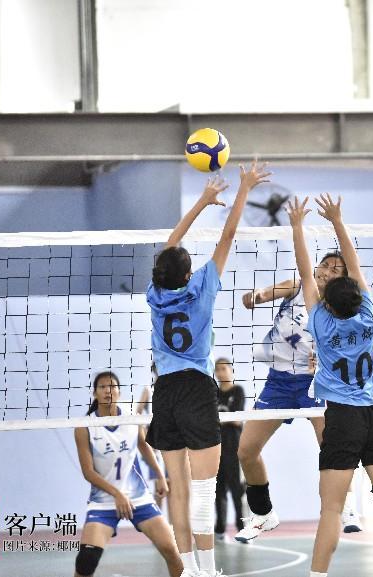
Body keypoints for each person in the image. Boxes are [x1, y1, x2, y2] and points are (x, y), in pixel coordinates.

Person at [145, 163, 270, 577]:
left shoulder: (154, 294)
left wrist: (201, 201)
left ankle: (187, 570)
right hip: (197, 390)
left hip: (165, 392)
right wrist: (243, 188)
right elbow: (227, 236)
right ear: (188, 274)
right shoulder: (202, 287)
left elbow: (170, 244)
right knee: (203, 490)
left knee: (179, 490)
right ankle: (208, 571)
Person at [288, 194, 373, 577]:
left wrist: (297, 226)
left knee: (331, 509)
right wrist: (337, 221)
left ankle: (317, 575)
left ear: (327, 300)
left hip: (343, 419)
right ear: (357, 297)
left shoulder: (320, 322)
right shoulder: (368, 315)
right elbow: (354, 264)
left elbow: (305, 273)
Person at [236, 249, 361, 541]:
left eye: (335, 270)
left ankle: (348, 506)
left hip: (315, 382)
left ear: (342, 279)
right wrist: (256, 296)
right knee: (246, 451)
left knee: (331, 446)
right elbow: (263, 294)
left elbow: (348, 349)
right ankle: (263, 514)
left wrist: (328, 359)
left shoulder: (339, 308)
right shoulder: (297, 286)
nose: (326, 271)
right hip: (278, 383)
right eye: (324, 265)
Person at [73, 372, 181, 577]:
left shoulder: (131, 417)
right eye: (102, 387)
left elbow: (143, 445)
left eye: (112, 386)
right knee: (86, 561)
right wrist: (117, 494)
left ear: (119, 391)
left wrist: (159, 474)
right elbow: (88, 472)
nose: (108, 391)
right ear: (94, 393)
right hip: (104, 501)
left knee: (172, 550)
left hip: (138, 496)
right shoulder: (84, 427)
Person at [213, 358, 245, 540]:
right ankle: (220, 529)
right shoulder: (213, 392)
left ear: (231, 370)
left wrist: (222, 418)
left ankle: (242, 528)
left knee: (236, 490)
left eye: (224, 368)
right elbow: (210, 419)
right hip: (216, 448)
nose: (220, 372)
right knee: (218, 490)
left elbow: (237, 419)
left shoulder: (238, 391)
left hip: (234, 448)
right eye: (217, 369)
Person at [136, 363, 167, 509]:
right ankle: (159, 517)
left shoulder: (175, 389)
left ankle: (175, 521)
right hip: (156, 443)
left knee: (174, 483)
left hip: (174, 442)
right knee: (160, 484)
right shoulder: (148, 390)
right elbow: (137, 415)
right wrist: (146, 438)